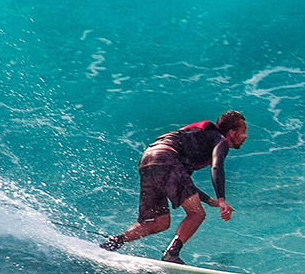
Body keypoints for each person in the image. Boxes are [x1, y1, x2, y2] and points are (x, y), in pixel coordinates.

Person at [101, 110, 247, 264]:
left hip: (149, 159)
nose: (245, 137)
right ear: (231, 132)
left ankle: (113, 243)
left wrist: (209, 200)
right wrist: (221, 200)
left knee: (160, 222)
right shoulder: (220, 140)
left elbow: (182, 181)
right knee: (196, 214)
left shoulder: (199, 142)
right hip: (166, 158)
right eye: (243, 132)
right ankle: (172, 253)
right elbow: (216, 167)